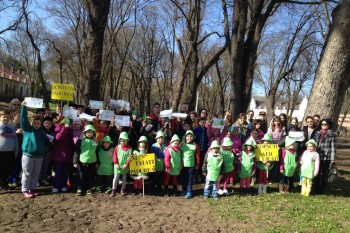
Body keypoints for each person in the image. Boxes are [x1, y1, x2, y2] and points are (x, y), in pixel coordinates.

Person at [20, 103, 49, 198]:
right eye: (34, 123)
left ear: (40, 124)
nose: (36, 125)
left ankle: (32, 189)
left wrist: (45, 149)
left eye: (38, 123)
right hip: (28, 155)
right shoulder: (27, 129)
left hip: (39, 156)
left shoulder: (42, 133)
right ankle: (25, 189)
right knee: (27, 173)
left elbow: (46, 143)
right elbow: (23, 119)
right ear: (31, 123)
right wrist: (24, 108)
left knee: (35, 173)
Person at [73, 125, 99, 196]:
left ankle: (88, 188)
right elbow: (76, 151)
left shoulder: (95, 141)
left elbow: (96, 152)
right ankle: (80, 188)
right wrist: (75, 161)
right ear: (85, 133)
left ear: (93, 133)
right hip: (82, 162)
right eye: (88, 132)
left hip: (92, 162)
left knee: (90, 176)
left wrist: (97, 162)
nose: (89, 134)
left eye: (91, 132)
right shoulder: (80, 140)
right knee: (81, 176)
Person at [51, 117, 74, 193]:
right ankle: (56, 186)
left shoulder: (70, 130)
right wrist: (65, 128)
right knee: (58, 172)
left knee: (65, 172)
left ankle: (64, 185)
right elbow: (58, 138)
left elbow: (71, 143)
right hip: (59, 155)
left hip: (67, 155)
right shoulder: (57, 128)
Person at [313, 119, 336, 194]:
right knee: (317, 172)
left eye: (325, 124)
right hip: (317, 155)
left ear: (329, 125)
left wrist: (333, 159)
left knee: (324, 173)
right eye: (322, 124)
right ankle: (316, 188)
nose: (324, 126)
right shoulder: (317, 133)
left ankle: (322, 189)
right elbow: (314, 144)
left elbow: (333, 147)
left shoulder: (332, 134)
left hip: (327, 157)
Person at [0, 110, 18, 189]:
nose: (6, 118)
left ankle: (4, 182)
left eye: (7, 117)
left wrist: (16, 150)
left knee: (7, 168)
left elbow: (15, 139)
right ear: (0, 117)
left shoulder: (11, 127)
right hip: (1, 152)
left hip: (10, 152)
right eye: (4, 117)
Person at [111, 132, 132, 197]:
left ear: (127, 141)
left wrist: (127, 164)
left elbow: (130, 157)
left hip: (125, 166)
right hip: (117, 166)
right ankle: (113, 190)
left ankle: (122, 190)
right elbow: (114, 156)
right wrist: (116, 163)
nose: (122, 142)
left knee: (124, 178)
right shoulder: (117, 147)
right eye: (121, 141)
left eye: (124, 141)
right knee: (115, 178)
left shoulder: (129, 149)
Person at [180, 130, 200, 199]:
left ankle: (189, 192)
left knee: (190, 179)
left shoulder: (195, 145)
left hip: (191, 165)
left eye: (191, 136)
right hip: (183, 165)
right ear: (185, 137)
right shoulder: (181, 144)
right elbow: (178, 153)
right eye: (188, 136)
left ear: (193, 137)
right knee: (183, 179)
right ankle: (184, 190)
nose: (189, 138)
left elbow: (197, 155)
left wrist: (197, 164)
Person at [39, 116, 55, 186]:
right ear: (43, 123)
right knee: (38, 166)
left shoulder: (52, 131)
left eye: (49, 123)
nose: (48, 125)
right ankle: (37, 179)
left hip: (48, 151)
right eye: (46, 123)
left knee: (45, 166)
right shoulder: (40, 130)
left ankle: (43, 179)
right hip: (40, 151)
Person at [194, 117, 209, 183]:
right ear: (199, 122)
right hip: (197, 149)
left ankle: (202, 176)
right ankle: (196, 176)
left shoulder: (206, 130)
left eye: (204, 122)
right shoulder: (196, 130)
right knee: (197, 163)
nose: (203, 123)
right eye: (201, 122)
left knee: (203, 163)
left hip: (204, 149)